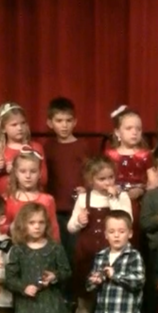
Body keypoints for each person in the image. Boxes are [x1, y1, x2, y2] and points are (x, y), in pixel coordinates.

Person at [68, 156, 133, 313]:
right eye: (102, 179)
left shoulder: (121, 197)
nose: (107, 182)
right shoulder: (84, 198)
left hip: (112, 256)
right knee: (85, 301)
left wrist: (113, 199)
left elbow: (126, 221)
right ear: (91, 180)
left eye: (110, 177)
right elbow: (71, 227)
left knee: (110, 300)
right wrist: (79, 221)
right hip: (87, 256)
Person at [42, 96, 93, 263]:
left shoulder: (82, 146)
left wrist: (86, 188)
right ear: (50, 123)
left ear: (75, 122)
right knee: (58, 251)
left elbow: (91, 172)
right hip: (55, 209)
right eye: (59, 121)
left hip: (77, 209)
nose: (64, 125)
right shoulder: (47, 147)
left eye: (68, 120)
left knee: (75, 252)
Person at [104, 106, 152, 242]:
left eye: (138, 129)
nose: (134, 132)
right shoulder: (110, 155)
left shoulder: (145, 155)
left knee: (134, 234)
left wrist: (141, 190)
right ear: (117, 132)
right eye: (129, 128)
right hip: (114, 201)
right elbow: (102, 178)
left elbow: (153, 181)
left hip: (137, 203)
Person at [0, 102, 46, 196]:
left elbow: (44, 179)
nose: (20, 128)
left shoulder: (35, 148)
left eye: (23, 123)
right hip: (0, 199)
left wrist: (18, 170)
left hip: (28, 199)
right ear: (3, 128)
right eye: (14, 125)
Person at [3, 150, 60, 238]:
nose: (28, 176)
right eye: (23, 171)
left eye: (33, 171)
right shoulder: (9, 200)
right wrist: (11, 228)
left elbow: (54, 232)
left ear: (40, 173)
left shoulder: (47, 200)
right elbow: (1, 229)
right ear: (16, 173)